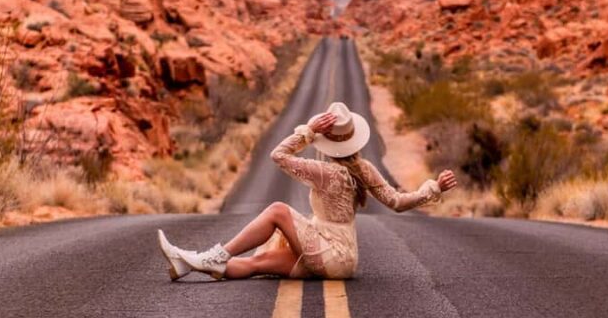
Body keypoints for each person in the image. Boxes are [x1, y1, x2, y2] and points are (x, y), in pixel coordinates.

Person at [157, 101, 457, 281]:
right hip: (344, 259)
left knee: (278, 210)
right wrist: (432, 187)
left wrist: (309, 130)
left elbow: (278, 155)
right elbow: (398, 202)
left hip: (329, 253)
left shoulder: (327, 171)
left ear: (328, 142)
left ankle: (215, 256)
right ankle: (187, 263)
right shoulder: (363, 168)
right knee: (255, 264)